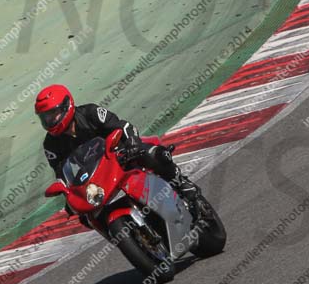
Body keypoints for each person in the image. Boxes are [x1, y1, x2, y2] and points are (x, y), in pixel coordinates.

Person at [34, 83, 201, 213]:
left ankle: (182, 183)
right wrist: (67, 193)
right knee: (83, 215)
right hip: (96, 176)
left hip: (121, 155)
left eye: (53, 114)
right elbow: (61, 173)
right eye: (45, 117)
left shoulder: (90, 112)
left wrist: (132, 143)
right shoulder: (50, 144)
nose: (50, 121)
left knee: (153, 154)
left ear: (67, 106)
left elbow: (122, 126)